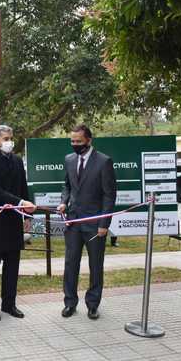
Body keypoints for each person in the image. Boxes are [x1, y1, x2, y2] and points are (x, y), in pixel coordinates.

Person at [57, 125, 116, 320]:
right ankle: (70, 303)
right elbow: (67, 186)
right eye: (72, 141)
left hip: (94, 224)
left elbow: (109, 196)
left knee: (95, 265)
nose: (75, 145)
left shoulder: (104, 161)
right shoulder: (68, 159)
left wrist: (104, 224)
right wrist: (63, 202)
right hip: (73, 221)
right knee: (70, 263)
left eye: (79, 142)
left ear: (89, 141)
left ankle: (93, 304)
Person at [0, 125, 36, 321]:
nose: (9, 142)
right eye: (5, 138)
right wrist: (20, 203)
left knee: (12, 267)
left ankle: (9, 304)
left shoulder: (17, 160)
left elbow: (23, 188)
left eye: (11, 138)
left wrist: (27, 215)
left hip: (13, 221)